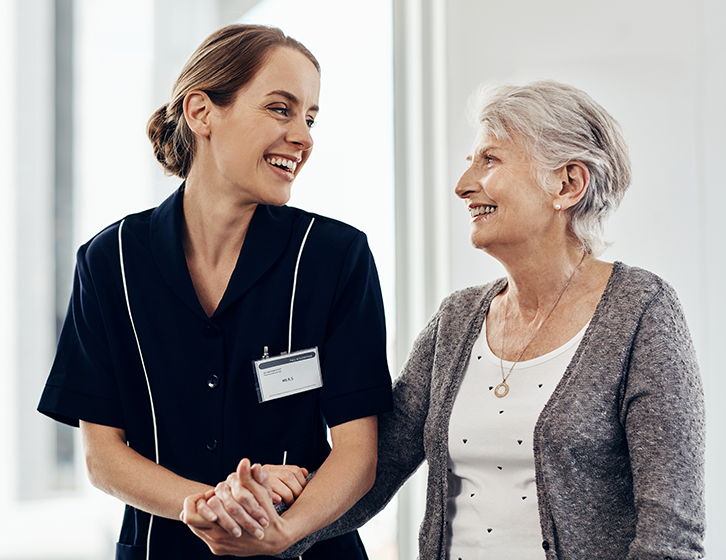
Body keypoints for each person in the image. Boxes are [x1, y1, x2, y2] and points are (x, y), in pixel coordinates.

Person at [182, 79, 707, 559]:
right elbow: (377, 469)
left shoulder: (641, 311)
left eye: (490, 161)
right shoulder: (458, 319)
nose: (463, 184)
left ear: (567, 184)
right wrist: (275, 523)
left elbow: (670, 534)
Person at [37, 23, 393, 560]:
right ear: (201, 112)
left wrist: (282, 532)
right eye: (281, 109)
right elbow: (102, 457)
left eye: (310, 118)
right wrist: (214, 504)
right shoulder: (109, 261)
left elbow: (358, 454)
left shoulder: (334, 257)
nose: (304, 135)